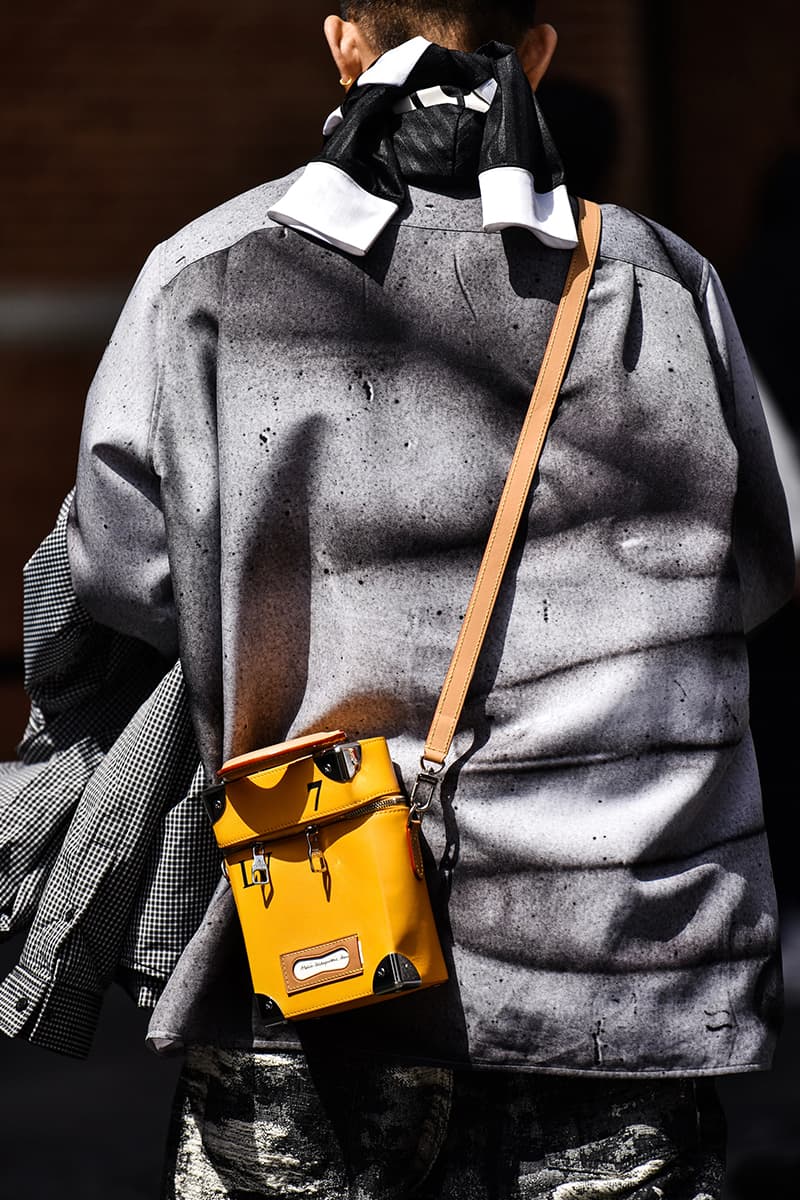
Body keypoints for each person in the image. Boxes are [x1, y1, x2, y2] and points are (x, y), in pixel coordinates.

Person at [0, 2, 793, 1196]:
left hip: (326, 930)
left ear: (342, 44)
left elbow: (124, 573)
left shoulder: (209, 273)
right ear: (535, 52)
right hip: (616, 955)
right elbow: (757, 567)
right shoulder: (659, 279)